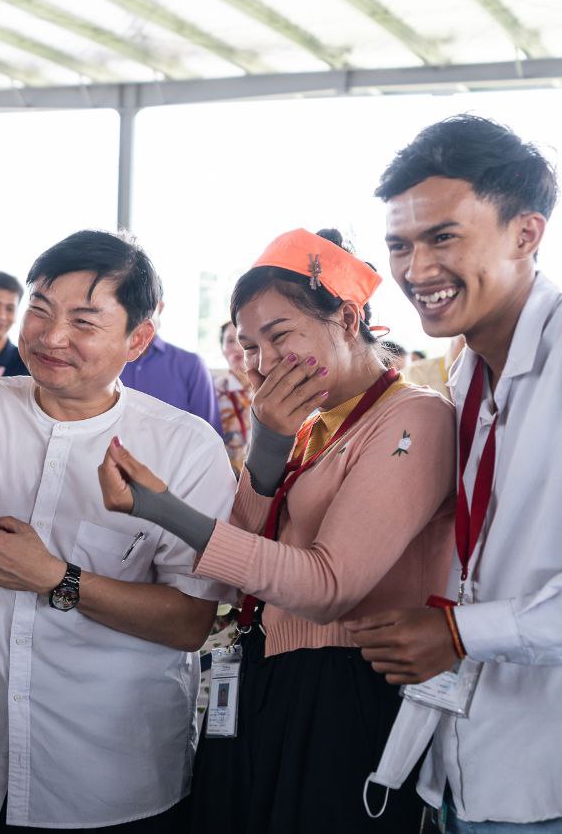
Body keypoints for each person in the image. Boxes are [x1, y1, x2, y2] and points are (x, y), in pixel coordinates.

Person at [96, 228, 455, 834]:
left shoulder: (413, 416)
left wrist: (165, 510)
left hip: (346, 690)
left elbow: (328, 586)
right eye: (249, 346)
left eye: (279, 336)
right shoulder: (312, 428)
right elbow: (241, 571)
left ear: (347, 319)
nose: (263, 363)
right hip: (270, 676)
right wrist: (265, 452)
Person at [0, 229, 236, 831]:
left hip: (110, 775)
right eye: (41, 309)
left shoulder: (184, 447)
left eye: (83, 321)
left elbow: (190, 622)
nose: (51, 337)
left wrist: (59, 578)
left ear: (137, 339)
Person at [349, 115, 562, 832]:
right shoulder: (468, 370)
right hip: (464, 763)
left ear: (525, 234)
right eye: (400, 245)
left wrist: (460, 633)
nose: (416, 270)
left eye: (443, 238)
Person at [119, 299, 222, 431]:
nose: (138, 312)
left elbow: (210, 434)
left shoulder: (192, 366)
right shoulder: (103, 364)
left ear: (160, 306)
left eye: (146, 301)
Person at [214, 321, 252, 474]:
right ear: (222, 349)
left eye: (243, 339)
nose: (237, 346)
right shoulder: (212, 391)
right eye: (230, 341)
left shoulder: (271, 391)